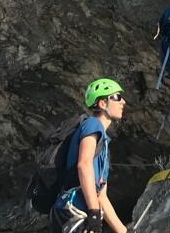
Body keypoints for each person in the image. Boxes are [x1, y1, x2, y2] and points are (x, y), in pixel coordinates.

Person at [49, 78, 128, 233]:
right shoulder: (93, 124)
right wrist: (94, 213)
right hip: (72, 211)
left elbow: (102, 197)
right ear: (103, 103)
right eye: (117, 97)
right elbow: (84, 164)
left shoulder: (104, 144)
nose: (123, 102)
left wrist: (124, 231)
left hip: (79, 213)